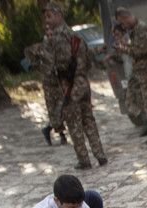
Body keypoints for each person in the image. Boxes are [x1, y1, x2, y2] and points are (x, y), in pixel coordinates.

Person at [42, 2, 107, 170]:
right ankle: (99, 154)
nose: (47, 20)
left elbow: (62, 62)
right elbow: (85, 56)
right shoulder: (73, 34)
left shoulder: (59, 35)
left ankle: (84, 159)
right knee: (88, 120)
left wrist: (56, 69)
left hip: (70, 86)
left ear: (58, 16)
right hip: (82, 82)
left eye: (49, 16)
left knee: (74, 122)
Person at [112, 6, 147, 147]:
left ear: (127, 17)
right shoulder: (135, 31)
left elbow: (141, 50)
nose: (123, 27)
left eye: (123, 23)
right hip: (143, 75)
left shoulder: (140, 29)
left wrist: (124, 49)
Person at [24, 36, 69, 146]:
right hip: (48, 83)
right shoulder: (41, 47)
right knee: (52, 110)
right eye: (48, 34)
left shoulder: (58, 47)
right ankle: (62, 135)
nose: (51, 37)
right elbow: (27, 51)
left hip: (58, 81)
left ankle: (48, 128)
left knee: (62, 108)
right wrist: (38, 65)